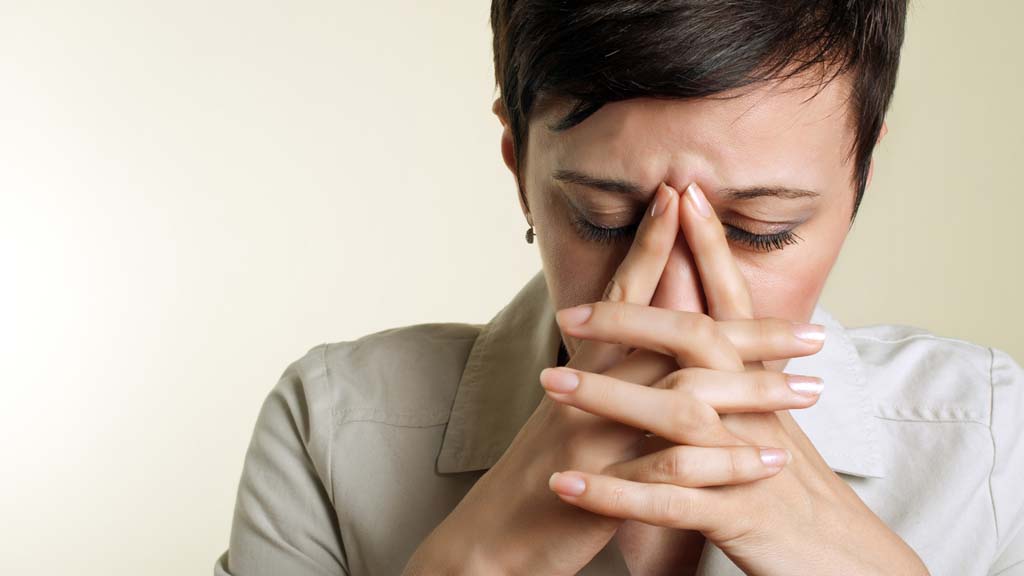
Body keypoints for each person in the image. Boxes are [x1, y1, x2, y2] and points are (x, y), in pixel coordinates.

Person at [214, 1, 1024, 574]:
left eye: (761, 229)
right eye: (604, 217)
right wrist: (483, 563)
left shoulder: (989, 441)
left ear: (861, 176)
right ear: (518, 168)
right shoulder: (334, 430)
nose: (671, 307)